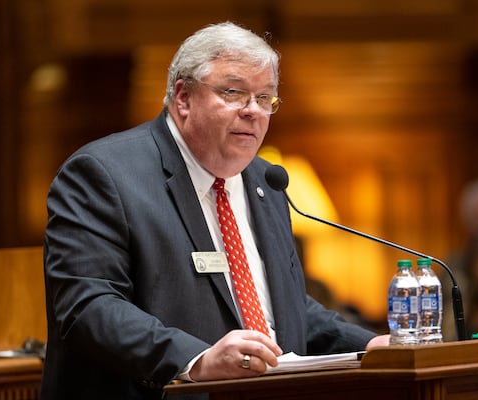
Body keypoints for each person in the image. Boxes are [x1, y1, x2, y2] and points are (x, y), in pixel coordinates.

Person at [40, 22, 389, 400]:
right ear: (184, 98)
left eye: (265, 98)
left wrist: (369, 346)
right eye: (234, 93)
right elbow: (87, 306)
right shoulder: (103, 173)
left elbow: (283, 305)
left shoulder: (264, 180)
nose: (253, 111)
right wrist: (195, 360)